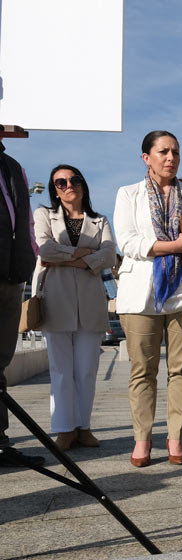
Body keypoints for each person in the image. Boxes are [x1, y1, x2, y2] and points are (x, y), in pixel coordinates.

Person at [114, 130, 182, 467]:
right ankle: (142, 439)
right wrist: (174, 247)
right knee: (143, 370)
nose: (170, 158)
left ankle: (175, 437)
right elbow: (127, 243)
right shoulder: (127, 194)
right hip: (142, 292)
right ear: (147, 158)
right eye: (162, 152)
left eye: (175, 152)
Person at [33, 165, 116, 451]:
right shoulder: (44, 214)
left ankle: (84, 427)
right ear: (54, 188)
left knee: (86, 370)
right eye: (61, 182)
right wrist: (85, 254)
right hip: (56, 299)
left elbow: (108, 256)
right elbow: (44, 250)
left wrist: (65, 257)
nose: (69, 185)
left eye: (74, 179)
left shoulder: (100, 220)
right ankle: (64, 428)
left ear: (83, 184)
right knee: (60, 369)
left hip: (91, 301)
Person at [0, 141, 45, 468]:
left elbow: (24, 221)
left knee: (0, 362)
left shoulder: (11, 166)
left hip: (11, 277)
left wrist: (26, 261)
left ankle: (0, 443)